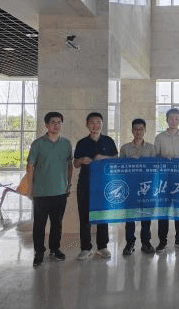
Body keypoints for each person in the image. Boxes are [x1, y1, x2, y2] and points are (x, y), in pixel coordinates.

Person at [28, 112, 73, 268]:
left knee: (57, 224)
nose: (56, 125)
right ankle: (39, 252)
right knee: (39, 224)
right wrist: (29, 188)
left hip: (60, 191)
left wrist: (68, 184)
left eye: (59, 122)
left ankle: (55, 249)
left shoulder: (66, 144)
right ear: (47, 125)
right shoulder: (38, 144)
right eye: (53, 122)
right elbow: (30, 166)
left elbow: (69, 165)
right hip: (40, 192)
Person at [74, 112, 118, 261]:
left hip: (104, 184)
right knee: (84, 216)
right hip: (85, 184)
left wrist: (104, 157)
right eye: (92, 123)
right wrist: (81, 160)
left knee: (102, 216)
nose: (95, 125)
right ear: (87, 125)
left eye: (98, 122)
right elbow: (75, 164)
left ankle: (102, 247)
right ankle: (85, 248)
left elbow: (116, 159)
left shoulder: (108, 141)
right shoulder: (82, 143)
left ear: (102, 124)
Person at [154, 108, 179, 253]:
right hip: (164, 179)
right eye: (171, 118)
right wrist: (164, 159)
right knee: (163, 211)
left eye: (176, 118)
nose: (173, 121)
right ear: (166, 120)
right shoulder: (159, 137)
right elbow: (155, 157)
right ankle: (162, 241)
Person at [120, 118, 156, 255]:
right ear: (132, 131)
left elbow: (154, 168)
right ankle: (130, 243)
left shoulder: (151, 148)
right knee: (130, 218)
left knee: (146, 217)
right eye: (135, 129)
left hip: (147, 187)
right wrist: (130, 162)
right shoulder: (125, 148)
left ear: (145, 130)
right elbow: (120, 169)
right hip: (131, 187)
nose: (138, 132)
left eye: (141, 129)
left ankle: (146, 243)